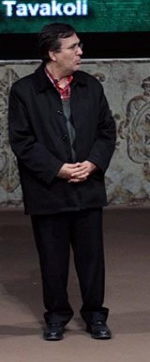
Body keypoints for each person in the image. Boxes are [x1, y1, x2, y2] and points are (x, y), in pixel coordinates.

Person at [8, 23, 116, 341]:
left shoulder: (90, 86)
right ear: (53, 53)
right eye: (73, 47)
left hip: (88, 187)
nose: (80, 52)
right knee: (53, 260)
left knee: (92, 259)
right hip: (49, 191)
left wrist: (93, 163)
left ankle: (95, 316)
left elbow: (107, 131)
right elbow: (22, 141)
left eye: (79, 45)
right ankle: (56, 316)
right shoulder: (24, 91)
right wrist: (58, 169)